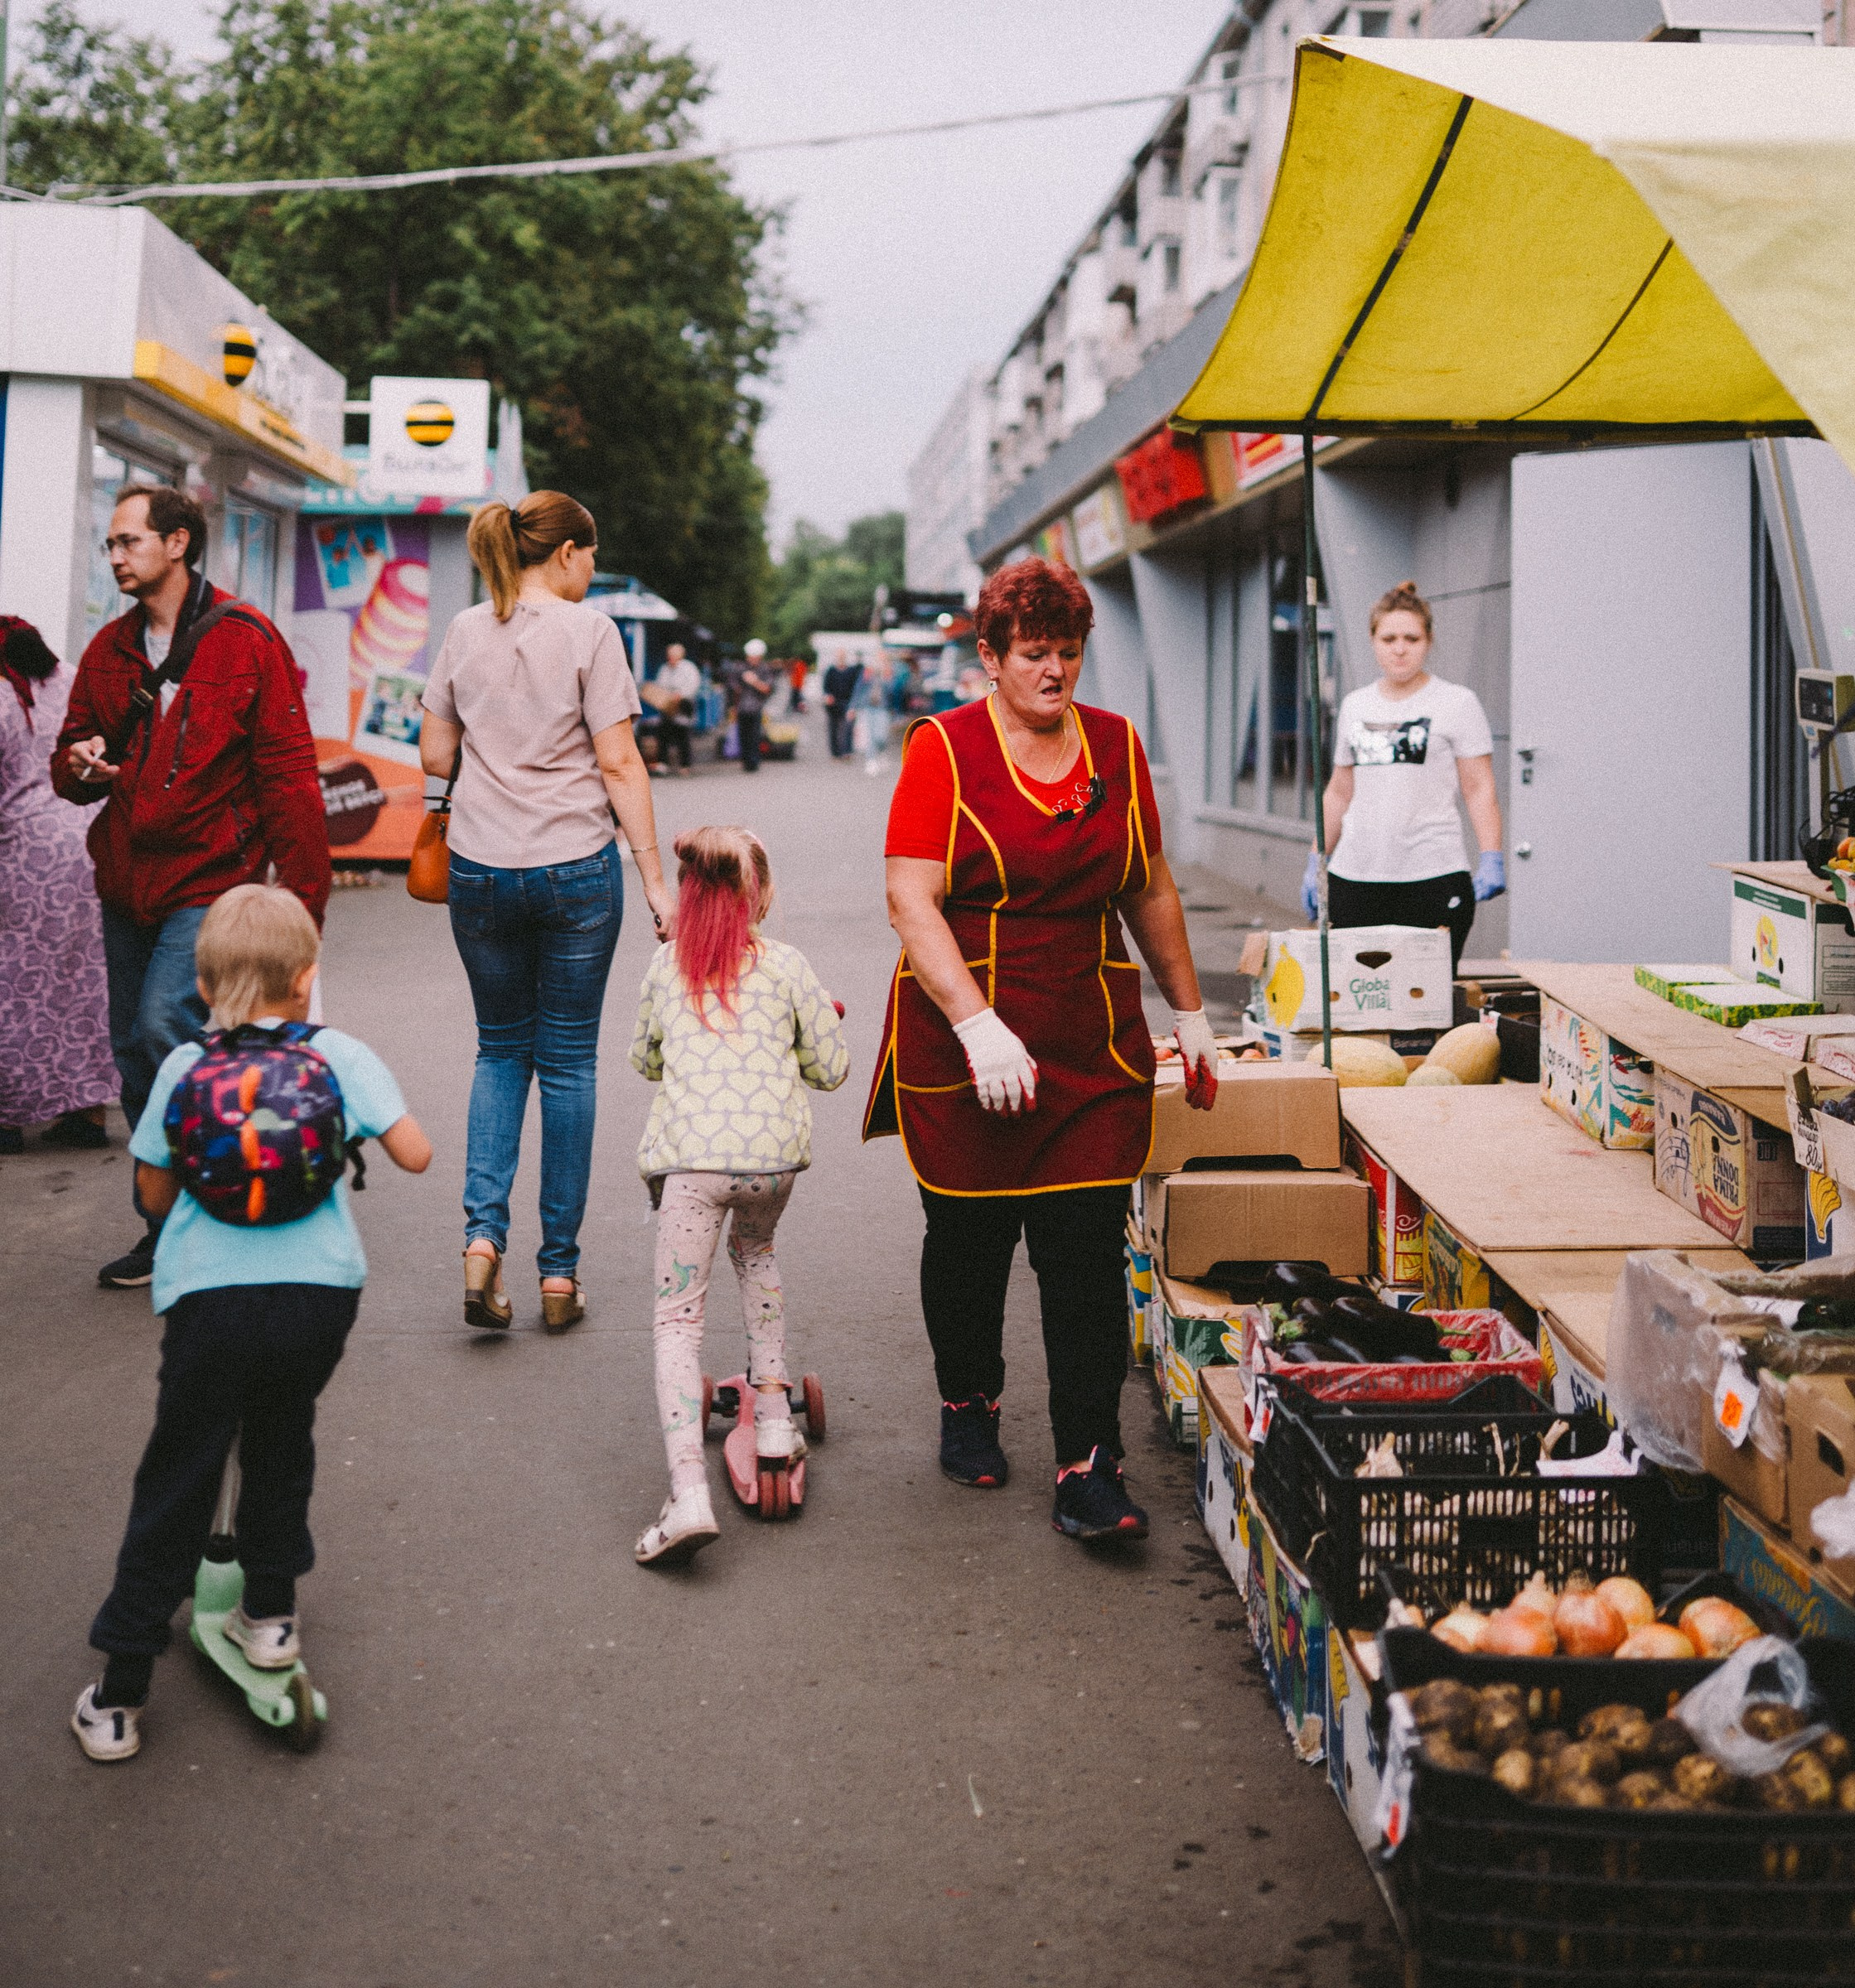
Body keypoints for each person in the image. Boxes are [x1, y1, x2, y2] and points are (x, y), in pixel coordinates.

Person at [868, 557, 1218, 1544]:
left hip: (1087, 1037)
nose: (1055, 673)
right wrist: (977, 1025)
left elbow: (1148, 887)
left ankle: (1088, 1464)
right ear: (989, 658)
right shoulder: (942, 748)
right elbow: (910, 897)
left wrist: (1189, 1015)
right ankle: (968, 1401)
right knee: (971, 1246)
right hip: (965, 1035)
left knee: (1081, 1259)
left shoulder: (1115, 746)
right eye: (1033, 656)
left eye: (1068, 653)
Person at [70, 884, 431, 1761]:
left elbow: (154, 1189)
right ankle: (268, 1618)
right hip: (318, 1297)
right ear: (306, 977)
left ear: (203, 981)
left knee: (181, 1472)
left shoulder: (185, 1070)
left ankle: (120, 1691)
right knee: (281, 1439)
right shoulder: (338, 1052)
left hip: (208, 1297)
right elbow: (415, 1153)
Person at [53, 485, 331, 1291]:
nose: (115, 556)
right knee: (133, 1052)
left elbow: (286, 774)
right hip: (126, 881)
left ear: (178, 543)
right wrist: (77, 765)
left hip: (212, 880)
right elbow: (72, 754)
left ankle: (214, 1209)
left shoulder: (246, 640)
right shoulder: (110, 649)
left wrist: (303, 907)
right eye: (110, 543)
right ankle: (167, 1222)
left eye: (128, 541)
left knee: (160, 1023)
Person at [419, 490, 678, 1334]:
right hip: (573, 870)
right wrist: (653, 878)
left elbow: (434, 746)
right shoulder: (590, 633)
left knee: (499, 1052)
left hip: (480, 872)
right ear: (566, 553)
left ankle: (480, 1240)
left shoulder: (463, 630)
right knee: (566, 1064)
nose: (592, 571)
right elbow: (618, 762)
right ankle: (558, 1277)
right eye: (590, 556)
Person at [629, 828, 848, 1566]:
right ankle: (777, 1415)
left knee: (677, 1319)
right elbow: (830, 1069)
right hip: (770, 1167)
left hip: (692, 1165)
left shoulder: (666, 967)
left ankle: (687, 1492)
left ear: (687, 896)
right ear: (763, 892)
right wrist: (812, 1023)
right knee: (756, 1253)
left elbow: (644, 1059)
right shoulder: (788, 967)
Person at [1304, 578, 1504, 972]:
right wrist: (1316, 860)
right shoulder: (1355, 705)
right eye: (1388, 637)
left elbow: (1479, 789)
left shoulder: (1457, 703)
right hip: (1354, 877)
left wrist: (1492, 856)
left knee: (1424, 1003)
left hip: (1433, 875)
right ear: (1373, 640)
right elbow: (1340, 792)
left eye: (1411, 638)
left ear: (1429, 641)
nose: (1399, 648)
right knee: (1358, 1002)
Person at [0, 617, 118, 1155]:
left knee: (15, 988)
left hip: (23, 857)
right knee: (83, 984)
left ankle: (7, 1117)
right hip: (88, 842)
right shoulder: (72, 678)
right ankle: (87, 1115)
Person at [654, 642, 702, 776]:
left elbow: (693, 684)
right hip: (667, 704)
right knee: (663, 733)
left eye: (674, 655)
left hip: (683, 704)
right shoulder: (664, 669)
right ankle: (663, 763)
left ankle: (685, 764)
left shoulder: (688, 668)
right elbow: (660, 684)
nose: (671, 658)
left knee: (683, 734)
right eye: (670, 656)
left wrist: (681, 695)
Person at [735, 638, 773, 774]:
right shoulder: (741, 668)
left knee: (754, 735)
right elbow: (734, 686)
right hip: (742, 707)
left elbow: (767, 689)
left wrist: (754, 681)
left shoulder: (765, 669)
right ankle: (745, 761)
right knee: (743, 735)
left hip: (756, 707)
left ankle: (754, 761)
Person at [822, 650, 863, 759]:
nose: (840, 659)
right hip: (833, 703)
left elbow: (856, 688)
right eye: (839, 657)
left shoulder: (851, 671)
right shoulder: (831, 670)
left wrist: (854, 705)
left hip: (847, 702)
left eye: (842, 657)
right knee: (833, 728)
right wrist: (827, 695)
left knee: (848, 727)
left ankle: (847, 751)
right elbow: (826, 687)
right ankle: (835, 752)